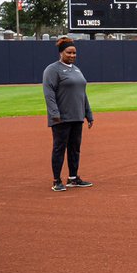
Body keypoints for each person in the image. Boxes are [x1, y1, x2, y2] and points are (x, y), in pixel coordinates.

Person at [42, 36, 94, 192]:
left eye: (74, 53)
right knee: (59, 148)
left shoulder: (76, 69)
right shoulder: (52, 69)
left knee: (74, 148)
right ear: (61, 52)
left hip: (77, 116)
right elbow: (49, 93)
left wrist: (88, 114)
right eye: (69, 52)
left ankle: (73, 178)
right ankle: (57, 180)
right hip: (61, 117)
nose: (72, 55)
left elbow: (82, 94)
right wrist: (54, 113)